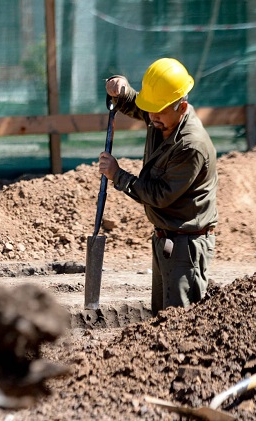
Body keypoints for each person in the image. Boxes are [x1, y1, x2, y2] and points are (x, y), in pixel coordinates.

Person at [99, 58, 218, 314]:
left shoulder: (190, 146)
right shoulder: (163, 116)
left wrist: (118, 175)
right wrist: (121, 90)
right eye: (150, 109)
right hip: (167, 238)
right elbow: (140, 107)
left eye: (159, 111)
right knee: (161, 321)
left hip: (186, 247)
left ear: (182, 106)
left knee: (180, 324)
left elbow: (160, 195)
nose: (152, 117)